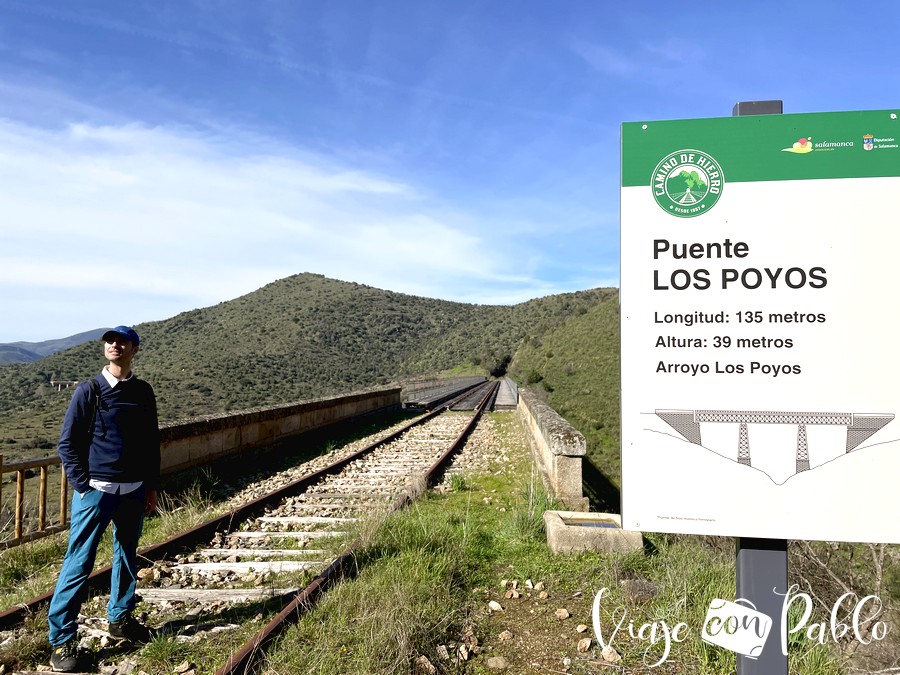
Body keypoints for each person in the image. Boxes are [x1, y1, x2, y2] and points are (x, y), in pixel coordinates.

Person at [47, 325, 160, 672]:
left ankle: (121, 620)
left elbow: (150, 442)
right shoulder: (90, 390)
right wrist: (83, 486)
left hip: (133, 490)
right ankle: (62, 641)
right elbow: (67, 444)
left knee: (126, 556)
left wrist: (150, 486)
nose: (115, 345)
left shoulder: (142, 391)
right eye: (110, 341)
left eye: (122, 341)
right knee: (79, 562)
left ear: (134, 349)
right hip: (96, 491)